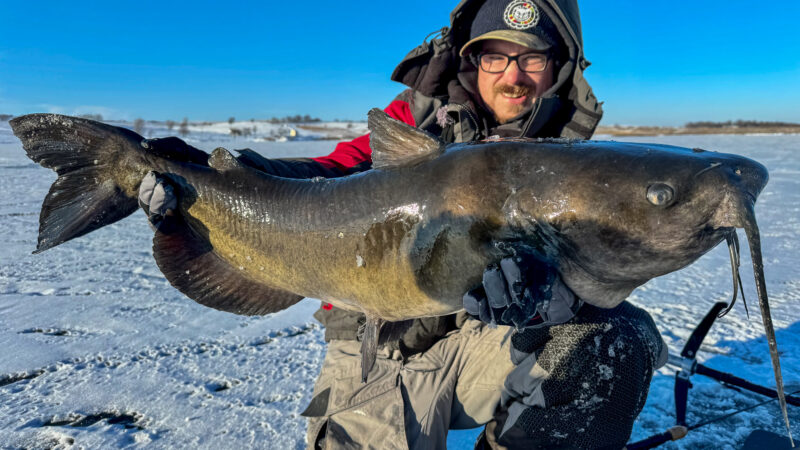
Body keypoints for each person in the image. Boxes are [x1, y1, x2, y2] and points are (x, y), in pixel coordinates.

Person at [138, 1, 668, 448]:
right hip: (378, 346)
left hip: (490, 344)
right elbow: (334, 172)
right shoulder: (412, 124)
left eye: (532, 57)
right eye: (495, 56)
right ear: (470, 63)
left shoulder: (579, 170)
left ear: (560, 68)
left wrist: (561, 304)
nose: (513, 75)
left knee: (616, 338)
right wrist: (232, 176)